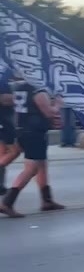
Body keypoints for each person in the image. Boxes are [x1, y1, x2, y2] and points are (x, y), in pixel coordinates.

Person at [0, 80, 64, 218]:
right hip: (34, 132)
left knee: (42, 164)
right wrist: (58, 104)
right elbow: (49, 113)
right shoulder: (38, 90)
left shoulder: (19, 87)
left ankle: (46, 200)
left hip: (23, 129)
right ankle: (7, 202)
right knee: (32, 168)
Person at [0, 74, 19, 195]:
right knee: (14, 151)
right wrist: (18, 98)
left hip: (5, 119)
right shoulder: (1, 81)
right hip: (3, 120)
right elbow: (4, 99)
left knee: (2, 152)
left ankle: (0, 185)